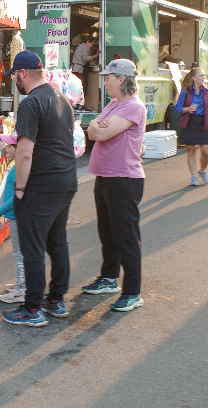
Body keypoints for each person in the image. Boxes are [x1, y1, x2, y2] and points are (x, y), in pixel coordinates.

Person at [2, 50, 78, 328]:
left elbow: (24, 152)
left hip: (41, 185)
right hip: (66, 180)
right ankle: (56, 299)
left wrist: (20, 189)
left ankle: (32, 308)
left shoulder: (31, 103)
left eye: (16, 77)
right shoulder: (61, 99)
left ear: (23, 73)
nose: (16, 83)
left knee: (32, 248)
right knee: (57, 243)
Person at [83, 59, 146, 312]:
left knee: (126, 237)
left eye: (108, 77)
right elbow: (92, 129)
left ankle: (132, 292)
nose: (104, 80)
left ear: (121, 79)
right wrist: (96, 126)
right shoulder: (114, 103)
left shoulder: (133, 107)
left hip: (124, 179)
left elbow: (100, 133)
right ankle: (109, 278)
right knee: (107, 232)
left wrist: (97, 127)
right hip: (106, 176)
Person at [0, 133, 26, 304]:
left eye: (9, 146)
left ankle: (23, 290)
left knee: (19, 253)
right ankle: (22, 284)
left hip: (18, 215)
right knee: (21, 252)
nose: (5, 148)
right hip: (19, 215)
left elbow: (17, 196)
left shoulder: (19, 168)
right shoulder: (18, 166)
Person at [175, 67, 208, 186]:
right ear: (194, 78)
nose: (203, 78)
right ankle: (194, 176)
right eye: (201, 76)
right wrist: (186, 109)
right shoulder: (185, 92)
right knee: (191, 150)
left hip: (203, 123)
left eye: (204, 76)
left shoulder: (206, 92)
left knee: (206, 152)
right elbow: (177, 107)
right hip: (189, 122)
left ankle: (202, 170)